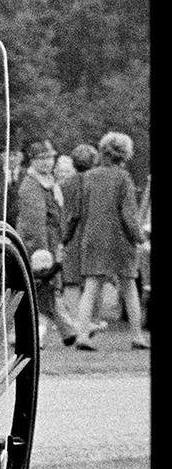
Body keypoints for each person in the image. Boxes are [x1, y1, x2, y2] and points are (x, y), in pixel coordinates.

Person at [72, 130, 149, 350]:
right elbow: (128, 214)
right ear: (125, 154)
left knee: (91, 287)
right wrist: (140, 238)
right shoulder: (123, 178)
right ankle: (137, 336)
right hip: (120, 240)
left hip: (93, 237)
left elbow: (79, 211)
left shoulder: (88, 176)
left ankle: (82, 335)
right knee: (129, 286)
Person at [13, 138, 82, 349]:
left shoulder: (48, 182)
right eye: (41, 159)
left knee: (46, 292)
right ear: (32, 161)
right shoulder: (32, 186)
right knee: (43, 291)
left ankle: (65, 331)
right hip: (39, 247)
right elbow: (34, 225)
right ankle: (54, 333)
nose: (47, 162)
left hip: (51, 243)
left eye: (49, 158)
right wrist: (43, 253)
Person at [60, 142, 99, 332]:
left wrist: (64, 237)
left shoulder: (66, 184)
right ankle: (89, 320)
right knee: (91, 280)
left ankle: (75, 320)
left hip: (72, 235)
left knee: (71, 281)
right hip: (91, 233)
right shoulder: (96, 181)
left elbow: (68, 212)